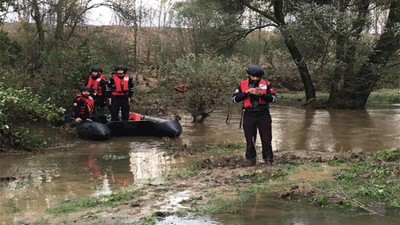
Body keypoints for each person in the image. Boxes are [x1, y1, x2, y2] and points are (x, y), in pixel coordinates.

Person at [231, 65, 277, 165]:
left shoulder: (267, 84)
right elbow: (234, 99)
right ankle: (250, 160)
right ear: (249, 75)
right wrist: (246, 93)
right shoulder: (242, 85)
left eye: (258, 77)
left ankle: (268, 160)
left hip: (263, 114)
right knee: (250, 139)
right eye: (253, 76)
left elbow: (273, 99)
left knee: (266, 139)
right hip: (249, 114)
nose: (255, 78)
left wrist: (261, 95)